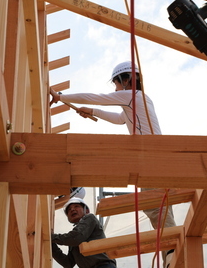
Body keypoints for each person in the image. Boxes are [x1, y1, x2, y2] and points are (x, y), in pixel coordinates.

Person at [50, 61, 176, 267]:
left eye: (117, 84)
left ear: (126, 80)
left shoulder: (132, 95)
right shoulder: (139, 101)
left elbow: (99, 98)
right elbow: (119, 119)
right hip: (156, 158)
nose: (116, 89)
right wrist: (91, 112)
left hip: (151, 158)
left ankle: (171, 252)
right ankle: (170, 254)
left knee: (156, 210)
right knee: (159, 210)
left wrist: (61, 97)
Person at [51, 197, 116, 268]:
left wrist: (51, 237)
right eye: (69, 209)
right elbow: (68, 263)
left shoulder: (90, 218)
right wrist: (51, 244)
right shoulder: (73, 237)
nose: (72, 209)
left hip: (103, 265)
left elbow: (76, 237)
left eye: (76, 206)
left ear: (86, 211)